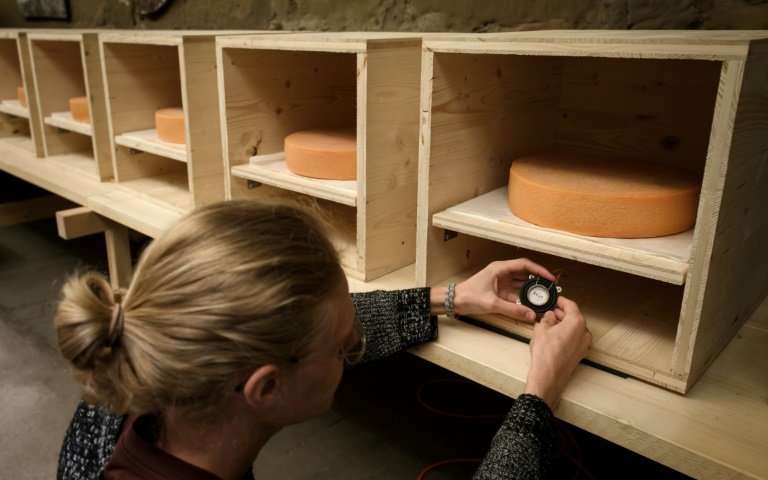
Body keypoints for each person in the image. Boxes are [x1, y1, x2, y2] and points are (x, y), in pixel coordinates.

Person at [54, 200, 591, 480]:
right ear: (265, 389)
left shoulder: (142, 362)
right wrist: (538, 398)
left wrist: (450, 297)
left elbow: (280, 328)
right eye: (341, 346)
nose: (355, 340)